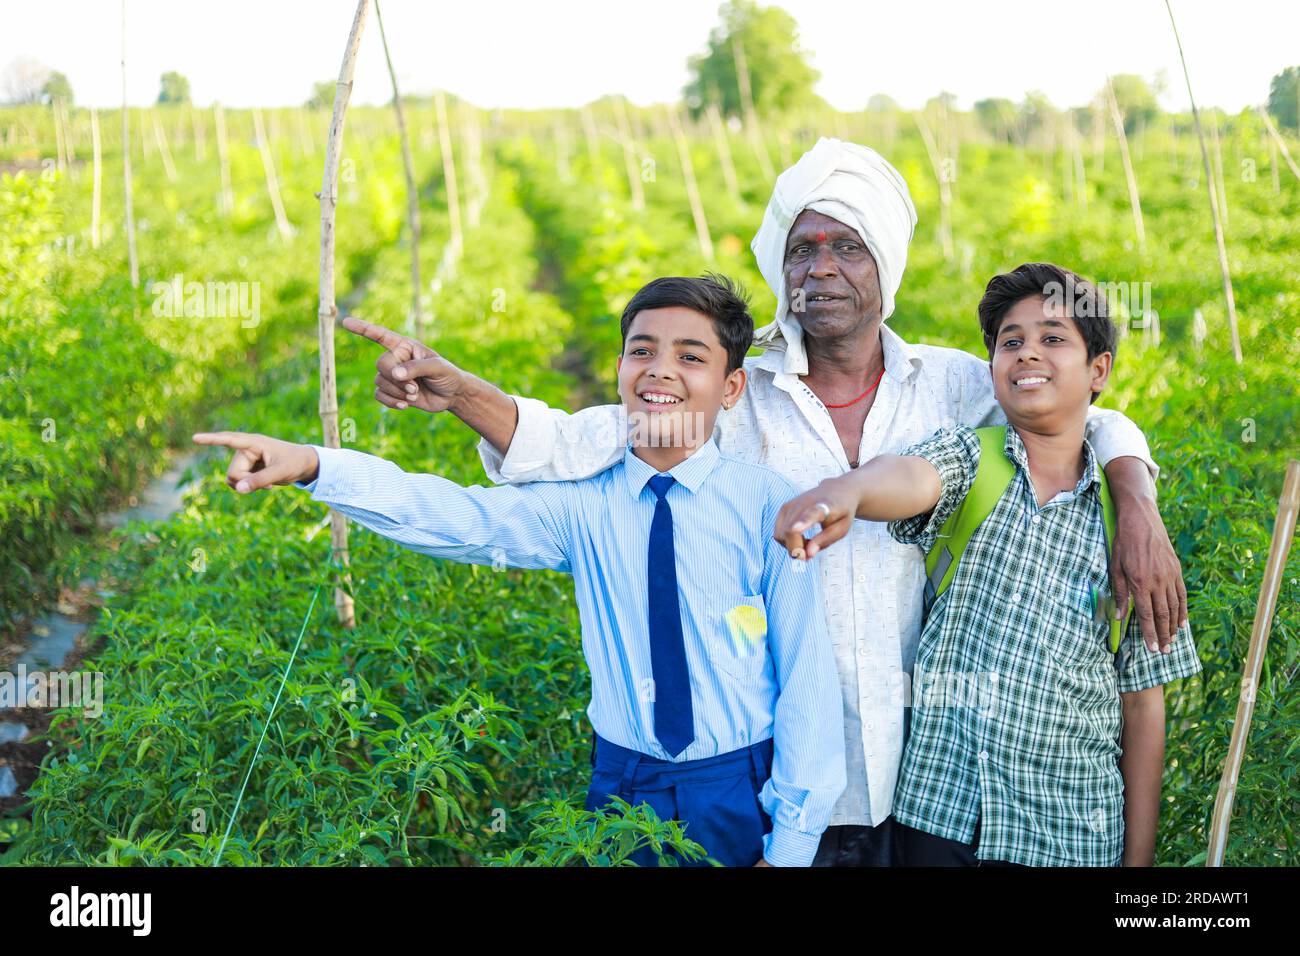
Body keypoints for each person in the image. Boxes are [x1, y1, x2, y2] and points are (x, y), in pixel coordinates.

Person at [346, 138, 1187, 866]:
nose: (820, 269)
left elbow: (1080, 410)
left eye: (847, 247)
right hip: (772, 766)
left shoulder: (953, 386)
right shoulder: (731, 391)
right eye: (801, 249)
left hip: (921, 767)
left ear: (885, 267)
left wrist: (1134, 498)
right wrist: (459, 392)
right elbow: (588, 436)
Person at [194, 275, 846, 867]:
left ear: (731, 387)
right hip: (624, 784)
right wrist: (316, 464)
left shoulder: (770, 504)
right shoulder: (584, 502)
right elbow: (455, 516)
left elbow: (806, 680)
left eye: (691, 356)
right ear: (619, 369)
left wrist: (788, 848)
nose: (661, 371)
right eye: (642, 350)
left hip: (735, 785)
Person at [774, 263, 1202, 866]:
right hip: (941, 820)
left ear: (1098, 369)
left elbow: (1142, 703)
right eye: (1011, 342)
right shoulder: (972, 460)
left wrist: (1136, 867)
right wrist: (845, 493)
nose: (1028, 354)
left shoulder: (1132, 536)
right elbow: (909, 476)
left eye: (1053, 339)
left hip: (1071, 830)